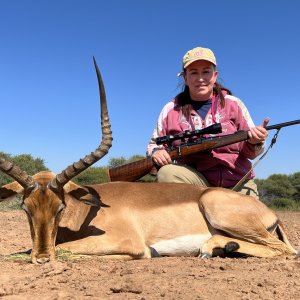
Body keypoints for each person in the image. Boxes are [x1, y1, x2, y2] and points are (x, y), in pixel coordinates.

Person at [147, 46, 269, 198]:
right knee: (167, 173)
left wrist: (255, 141)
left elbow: (252, 153)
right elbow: (154, 144)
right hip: (196, 185)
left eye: (206, 72)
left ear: (215, 75)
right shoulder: (170, 109)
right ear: (185, 77)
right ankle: (189, 218)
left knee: (254, 221)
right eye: (193, 73)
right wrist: (156, 152)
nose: (200, 78)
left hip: (237, 182)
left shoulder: (234, 104)